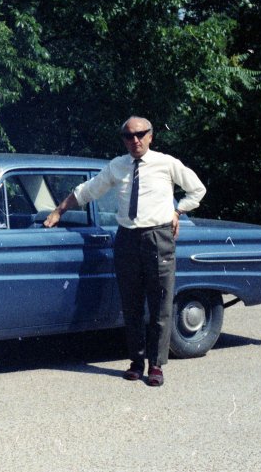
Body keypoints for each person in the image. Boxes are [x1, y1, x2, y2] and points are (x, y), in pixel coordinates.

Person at [44, 116, 206, 386]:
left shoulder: (166, 163)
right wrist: (59, 210)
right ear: (123, 140)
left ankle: (156, 365)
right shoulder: (117, 166)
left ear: (151, 136)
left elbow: (197, 189)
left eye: (141, 134)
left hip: (158, 237)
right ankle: (136, 361)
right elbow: (89, 190)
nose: (135, 140)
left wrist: (177, 211)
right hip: (127, 238)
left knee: (160, 303)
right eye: (129, 136)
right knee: (131, 304)